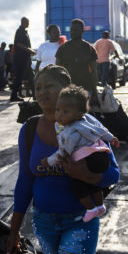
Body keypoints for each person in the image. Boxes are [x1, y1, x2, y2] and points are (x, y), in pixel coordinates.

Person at [6, 65, 120, 254]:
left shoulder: (87, 125)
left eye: (49, 86)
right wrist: (13, 231)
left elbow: (113, 174)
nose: (42, 92)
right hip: (43, 223)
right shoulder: (29, 129)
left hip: (80, 220)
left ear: (66, 88)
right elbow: (25, 181)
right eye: (38, 87)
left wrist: (85, 175)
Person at [40, 85, 119, 222]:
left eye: (65, 112)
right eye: (58, 110)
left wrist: (49, 161)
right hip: (100, 154)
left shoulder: (70, 132)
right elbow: (101, 129)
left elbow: (63, 153)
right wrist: (111, 138)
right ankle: (100, 206)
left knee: (78, 185)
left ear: (78, 114)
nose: (59, 115)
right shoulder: (87, 119)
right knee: (92, 185)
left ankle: (90, 209)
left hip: (89, 159)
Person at [56, 18, 99, 103]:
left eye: (76, 30)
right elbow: (57, 71)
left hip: (86, 89)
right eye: (71, 30)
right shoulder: (63, 48)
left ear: (82, 31)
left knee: (84, 115)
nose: (72, 32)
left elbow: (94, 72)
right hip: (67, 90)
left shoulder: (89, 48)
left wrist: (95, 92)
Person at [10, 17, 36, 102]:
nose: (28, 23)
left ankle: (35, 95)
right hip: (21, 58)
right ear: (23, 22)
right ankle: (14, 96)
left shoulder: (24, 32)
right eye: (27, 22)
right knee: (20, 77)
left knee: (30, 76)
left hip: (25, 58)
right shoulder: (20, 31)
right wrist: (30, 50)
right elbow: (19, 44)